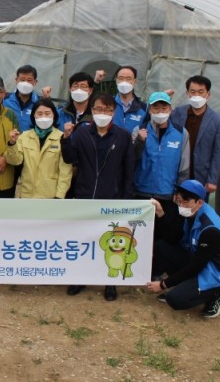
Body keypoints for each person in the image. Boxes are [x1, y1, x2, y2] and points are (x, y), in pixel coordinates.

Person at [61, 93, 135, 301]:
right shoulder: (82, 133)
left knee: (112, 242)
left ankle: (109, 283)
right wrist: (66, 139)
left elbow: (129, 169)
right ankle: (80, 278)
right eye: (99, 110)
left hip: (111, 198)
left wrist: (127, 198)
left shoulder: (122, 136)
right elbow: (69, 158)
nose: (103, 114)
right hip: (84, 195)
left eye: (108, 110)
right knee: (84, 240)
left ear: (114, 112)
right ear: (92, 111)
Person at [146, 179, 220, 318]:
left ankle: (217, 293)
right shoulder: (187, 212)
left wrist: (163, 284)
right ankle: (188, 287)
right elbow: (173, 238)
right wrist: (161, 214)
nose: (181, 204)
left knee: (175, 300)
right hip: (198, 259)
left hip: (216, 273)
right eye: (179, 199)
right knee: (161, 247)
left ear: (199, 202)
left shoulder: (210, 230)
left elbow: (195, 266)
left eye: (186, 201)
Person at [135, 91, 191, 242]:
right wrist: (139, 141)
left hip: (167, 194)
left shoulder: (181, 133)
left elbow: (184, 166)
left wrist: (179, 190)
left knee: (164, 235)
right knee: (140, 236)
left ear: (170, 110)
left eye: (164, 108)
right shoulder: (140, 130)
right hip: (141, 192)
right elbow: (131, 159)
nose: (160, 112)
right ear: (150, 110)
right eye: (156, 108)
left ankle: (160, 265)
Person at [170, 75, 220, 197]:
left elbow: (218, 152)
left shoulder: (217, 120)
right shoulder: (178, 113)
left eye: (201, 92)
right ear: (187, 93)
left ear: (208, 94)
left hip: (200, 175)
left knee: (196, 209)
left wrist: (212, 180)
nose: (197, 95)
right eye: (193, 91)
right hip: (176, 171)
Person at [6, 99, 72, 198]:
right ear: (34, 116)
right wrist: (12, 144)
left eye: (47, 113)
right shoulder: (24, 136)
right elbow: (15, 161)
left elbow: (65, 172)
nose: (43, 117)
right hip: (25, 194)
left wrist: (59, 195)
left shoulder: (61, 138)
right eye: (39, 114)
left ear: (54, 115)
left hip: (49, 196)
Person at [3, 65, 53, 132]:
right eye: (22, 80)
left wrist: (47, 99)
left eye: (29, 80)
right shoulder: (5, 101)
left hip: (31, 141)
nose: (25, 83)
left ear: (35, 82)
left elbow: (51, 120)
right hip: (9, 141)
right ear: (16, 80)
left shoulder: (39, 103)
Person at [111, 65, 147, 135]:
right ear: (116, 81)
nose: (124, 82)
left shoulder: (143, 108)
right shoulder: (108, 104)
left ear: (134, 81)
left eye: (128, 78)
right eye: (121, 78)